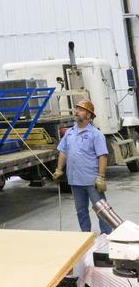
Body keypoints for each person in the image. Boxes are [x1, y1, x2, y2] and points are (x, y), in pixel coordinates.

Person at [53, 98, 112, 234]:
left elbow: (102, 156)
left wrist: (101, 177)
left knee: (101, 210)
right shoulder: (69, 133)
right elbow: (63, 152)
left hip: (92, 180)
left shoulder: (95, 134)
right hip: (75, 180)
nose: (76, 112)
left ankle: (106, 236)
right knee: (81, 211)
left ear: (88, 115)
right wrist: (59, 169)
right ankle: (85, 235)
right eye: (77, 109)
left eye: (81, 110)